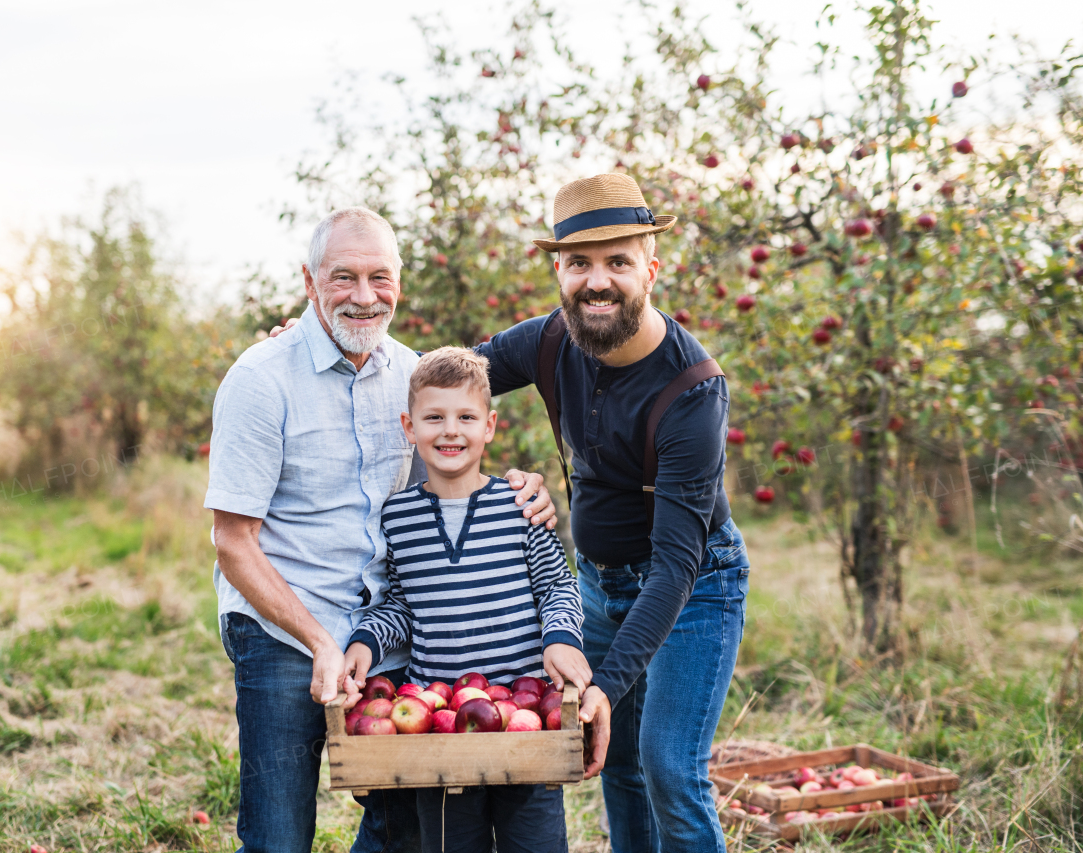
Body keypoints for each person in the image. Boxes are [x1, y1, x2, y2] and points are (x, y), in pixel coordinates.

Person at [204, 207, 557, 853]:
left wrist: (520, 489)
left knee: (406, 828)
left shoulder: (410, 373)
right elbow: (233, 541)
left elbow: (454, 453)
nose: (364, 297)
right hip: (286, 629)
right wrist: (317, 640)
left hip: (387, 633)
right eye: (343, 278)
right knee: (279, 830)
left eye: (379, 277)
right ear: (309, 282)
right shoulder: (260, 380)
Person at [475, 173, 751, 853]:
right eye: (579, 264)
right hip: (598, 583)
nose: (597, 282)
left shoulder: (691, 388)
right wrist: (349, 356)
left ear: (650, 270)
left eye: (618, 262)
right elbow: (436, 382)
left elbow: (676, 565)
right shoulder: (546, 343)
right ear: (558, 271)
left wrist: (608, 682)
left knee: (667, 766)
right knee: (615, 764)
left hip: (691, 588)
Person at [342, 346, 593, 853]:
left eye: (466, 417)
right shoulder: (398, 517)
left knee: (534, 844)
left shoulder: (520, 505)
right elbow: (400, 607)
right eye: (433, 417)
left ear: (490, 426)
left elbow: (557, 586)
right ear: (409, 427)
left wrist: (562, 639)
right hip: (439, 727)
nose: (450, 431)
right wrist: (365, 643)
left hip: (527, 723)